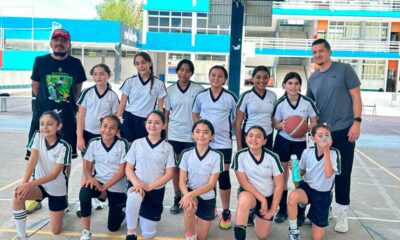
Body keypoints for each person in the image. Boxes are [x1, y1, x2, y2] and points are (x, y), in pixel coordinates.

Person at [25, 29, 86, 212]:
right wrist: (48, 108)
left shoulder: (75, 63)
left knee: (65, 160)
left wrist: (62, 106)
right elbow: (36, 88)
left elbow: (77, 90)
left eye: (64, 41)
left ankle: (62, 193)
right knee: (37, 155)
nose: (60, 43)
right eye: (56, 40)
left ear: (68, 44)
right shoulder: (40, 61)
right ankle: (36, 195)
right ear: (51, 43)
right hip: (42, 119)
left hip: (66, 119)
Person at [306, 39, 362, 233]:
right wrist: (312, 133)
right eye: (315, 52)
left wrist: (357, 121)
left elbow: (356, 96)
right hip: (322, 135)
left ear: (329, 52)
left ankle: (342, 212)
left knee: (343, 172)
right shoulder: (312, 79)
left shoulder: (345, 70)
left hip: (345, 129)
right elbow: (310, 108)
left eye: (321, 51)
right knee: (323, 173)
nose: (318, 54)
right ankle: (324, 208)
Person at [13, 111, 71, 240]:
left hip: (57, 189)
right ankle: (21, 236)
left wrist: (30, 184)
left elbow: (54, 174)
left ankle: (63, 205)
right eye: (42, 124)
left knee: (56, 230)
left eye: (50, 124)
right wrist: (24, 184)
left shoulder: (64, 147)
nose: (45, 127)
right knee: (18, 194)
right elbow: (32, 160)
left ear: (59, 126)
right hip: (40, 186)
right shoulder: (37, 136)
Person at [192, 65, 237, 230]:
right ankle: (209, 208)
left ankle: (226, 211)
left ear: (224, 79)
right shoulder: (201, 96)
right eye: (213, 75)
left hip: (224, 143)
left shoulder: (230, 97)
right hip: (204, 142)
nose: (216, 78)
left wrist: (222, 128)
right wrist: (202, 133)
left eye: (220, 76)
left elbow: (235, 118)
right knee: (205, 176)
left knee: (223, 176)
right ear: (209, 77)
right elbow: (195, 115)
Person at [272, 72, 318, 224]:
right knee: (282, 176)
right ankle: (282, 209)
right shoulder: (280, 103)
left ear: (300, 86)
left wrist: (307, 128)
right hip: (283, 141)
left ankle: (299, 211)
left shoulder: (307, 102)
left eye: (296, 83)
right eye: (290, 83)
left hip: (300, 143)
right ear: (284, 85)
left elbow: (314, 121)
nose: (293, 86)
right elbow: (275, 124)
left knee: (297, 175)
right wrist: (282, 126)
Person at [76, 63, 120, 215]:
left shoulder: (113, 96)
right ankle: (83, 200)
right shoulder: (87, 93)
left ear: (109, 75)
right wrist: (79, 137)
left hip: (104, 136)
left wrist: (118, 139)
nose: (98, 77)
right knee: (87, 167)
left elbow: (115, 120)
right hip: (88, 135)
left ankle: (98, 196)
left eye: (102, 73)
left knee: (100, 167)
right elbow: (81, 115)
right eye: (95, 74)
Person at [124, 111, 175, 240]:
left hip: (155, 190)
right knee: (133, 198)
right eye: (150, 122)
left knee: (148, 234)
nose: (153, 125)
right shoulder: (137, 143)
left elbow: (169, 173)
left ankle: (142, 217)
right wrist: (137, 184)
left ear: (164, 126)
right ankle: (131, 233)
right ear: (145, 124)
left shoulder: (168, 147)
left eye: (157, 122)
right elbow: (128, 168)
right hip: (138, 186)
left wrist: (150, 186)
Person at [287, 123, 341, 240]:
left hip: (323, 194)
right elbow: (301, 172)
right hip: (307, 188)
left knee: (317, 238)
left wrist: (326, 150)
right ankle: (293, 230)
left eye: (327, 135)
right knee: (292, 197)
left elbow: (328, 174)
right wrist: (294, 168)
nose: (324, 137)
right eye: (320, 135)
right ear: (313, 139)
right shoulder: (307, 152)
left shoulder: (334, 153)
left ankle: (316, 213)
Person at [165, 59, 205, 214]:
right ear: (177, 72)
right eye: (181, 69)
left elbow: (203, 112)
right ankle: (177, 197)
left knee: (191, 169)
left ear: (191, 73)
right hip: (175, 134)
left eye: (187, 70)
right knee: (175, 168)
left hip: (193, 136)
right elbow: (166, 115)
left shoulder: (199, 89)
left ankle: (190, 196)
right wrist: (166, 136)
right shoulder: (170, 90)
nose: (184, 73)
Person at [79, 115, 128, 240]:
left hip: (117, 187)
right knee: (84, 192)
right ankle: (86, 232)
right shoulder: (94, 143)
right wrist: (90, 179)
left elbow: (122, 172)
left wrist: (104, 186)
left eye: (112, 128)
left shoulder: (122, 144)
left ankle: (123, 212)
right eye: (105, 126)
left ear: (117, 131)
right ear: (100, 127)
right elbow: (87, 167)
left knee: (113, 228)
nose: (107, 130)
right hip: (99, 182)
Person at [232, 126, 284, 240]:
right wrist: (262, 199)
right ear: (246, 138)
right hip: (250, 194)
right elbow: (243, 182)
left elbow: (280, 186)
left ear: (264, 141)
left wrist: (272, 210)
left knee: (262, 235)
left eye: (258, 136)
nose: (254, 139)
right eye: (250, 135)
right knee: (244, 199)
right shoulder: (239, 155)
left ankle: (254, 215)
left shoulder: (273, 157)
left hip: (268, 195)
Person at [178, 120, 223, 240]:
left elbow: (211, 184)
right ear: (193, 134)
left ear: (212, 136)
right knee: (188, 207)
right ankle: (189, 236)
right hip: (190, 191)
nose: (201, 135)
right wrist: (187, 195)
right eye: (197, 132)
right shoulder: (186, 154)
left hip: (207, 195)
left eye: (206, 132)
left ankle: (199, 216)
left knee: (202, 238)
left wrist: (189, 195)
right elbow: (181, 181)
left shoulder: (217, 156)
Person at [116, 52, 167, 144]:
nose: (140, 66)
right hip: (129, 119)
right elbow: (122, 105)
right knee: (129, 149)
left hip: (147, 121)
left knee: (143, 150)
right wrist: (117, 123)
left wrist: (161, 124)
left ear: (150, 63)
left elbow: (160, 108)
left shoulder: (159, 83)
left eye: (143, 62)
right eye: (137, 63)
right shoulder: (130, 81)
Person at [236, 66, 277, 151]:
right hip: (250, 136)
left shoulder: (273, 96)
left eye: (265, 77)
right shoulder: (246, 96)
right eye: (258, 77)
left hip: (267, 137)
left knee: (266, 163)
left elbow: (272, 120)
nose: (262, 80)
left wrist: (270, 137)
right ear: (252, 78)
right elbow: (238, 123)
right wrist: (239, 146)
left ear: (269, 78)